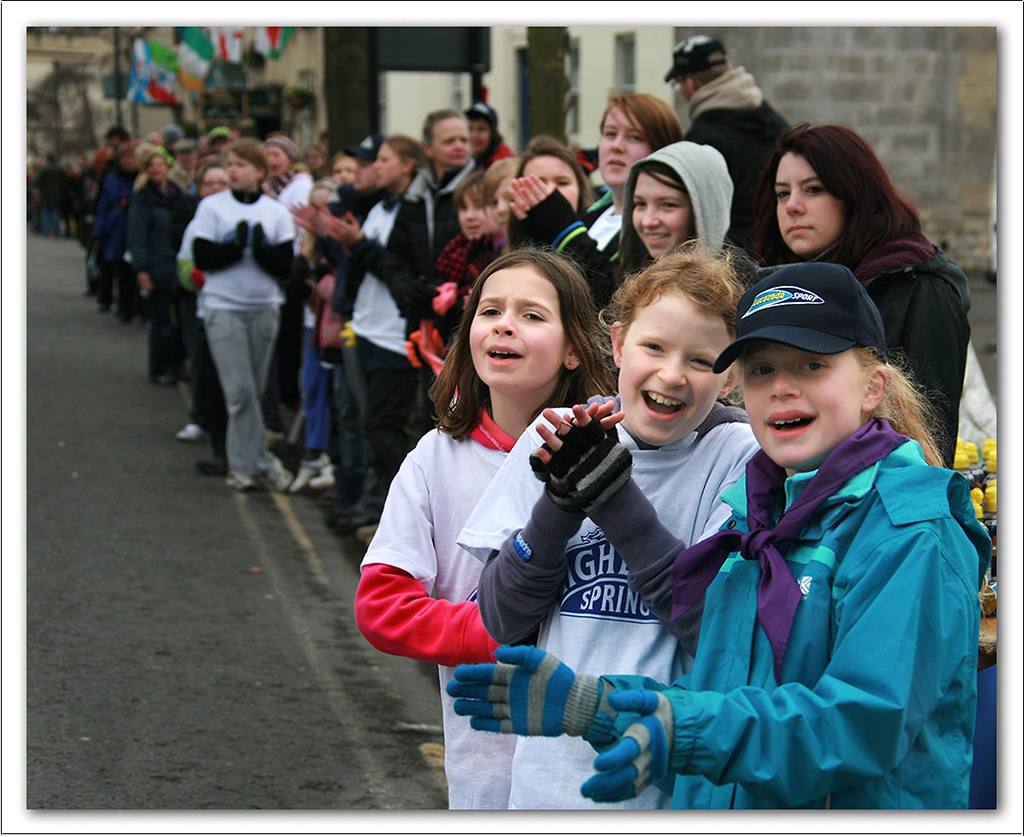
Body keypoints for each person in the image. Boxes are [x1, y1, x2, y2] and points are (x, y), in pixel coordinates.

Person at [449, 261, 990, 809]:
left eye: (811, 365)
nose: (782, 388)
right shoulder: (756, 516)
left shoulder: (913, 531)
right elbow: (725, 685)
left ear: (872, 386)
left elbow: (858, 724)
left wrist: (676, 730)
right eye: (762, 369)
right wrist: (600, 706)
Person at [454, 244, 761, 809]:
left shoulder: (742, 457)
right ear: (618, 344)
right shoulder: (563, 436)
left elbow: (718, 634)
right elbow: (500, 619)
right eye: (653, 346)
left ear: (731, 377)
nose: (671, 374)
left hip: (666, 788)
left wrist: (616, 502)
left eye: (701, 360)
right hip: (545, 783)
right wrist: (558, 507)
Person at [354, 248, 617, 809]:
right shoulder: (434, 459)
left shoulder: (615, 453)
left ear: (575, 350)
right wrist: (495, 631)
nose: (504, 323)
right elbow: (381, 606)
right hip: (484, 766)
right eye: (489, 310)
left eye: (532, 314)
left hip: (593, 767)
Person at [752, 122, 971, 466]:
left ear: (854, 194)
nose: (792, 206)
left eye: (813, 190)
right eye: (782, 193)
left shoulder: (917, 285)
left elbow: (926, 432)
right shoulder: (785, 287)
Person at [504, 94, 683, 307]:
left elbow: (616, 301)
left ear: (663, 149)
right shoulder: (593, 214)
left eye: (634, 137)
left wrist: (565, 230)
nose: (616, 146)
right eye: (610, 134)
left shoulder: (655, 225)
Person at [189, 138, 296, 492]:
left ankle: (254, 463)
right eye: (230, 164)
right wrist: (235, 246)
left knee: (254, 389)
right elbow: (203, 256)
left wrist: (261, 249)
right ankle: (249, 465)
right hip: (224, 308)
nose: (233, 171)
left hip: (264, 310)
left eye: (240, 165)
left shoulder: (275, 211)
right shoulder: (211, 207)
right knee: (239, 392)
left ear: (259, 172)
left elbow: (284, 265)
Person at [664, 35, 788, 254]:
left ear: (691, 84)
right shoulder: (773, 122)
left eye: (679, 84)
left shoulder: (702, 138)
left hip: (733, 258)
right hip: (780, 247)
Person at [616, 140, 734, 281]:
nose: (648, 221)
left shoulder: (747, 297)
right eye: (640, 204)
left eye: (668, 205)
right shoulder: (624, 285)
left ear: (707, 210)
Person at [127, 146, 185, 384]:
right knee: (161, 320)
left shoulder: (177, 195)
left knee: (179, 320)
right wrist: (141, 268)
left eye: (160, 164)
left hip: (178, 266)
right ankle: (161, 368)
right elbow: (137, 237)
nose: (156, 169)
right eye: (151, 166)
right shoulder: (142, 200)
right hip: (157, 265)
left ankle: (177, 363)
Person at [91, 141, 139, 319]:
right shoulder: (112, 178)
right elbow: (103, 202)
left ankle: (134, 305)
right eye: (125, 158)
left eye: (131, 157)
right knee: (117, 266)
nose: (127, 161)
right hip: (115, 225)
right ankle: (120, 304)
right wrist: (99, 228)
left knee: (133, 266)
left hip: (133, 225)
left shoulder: (141, 178)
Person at [465, 102, 515, 170]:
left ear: (493, 133)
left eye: (481, 129)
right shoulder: (471, 161)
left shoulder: (503, 164)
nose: (474, 135)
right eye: (470, 129)